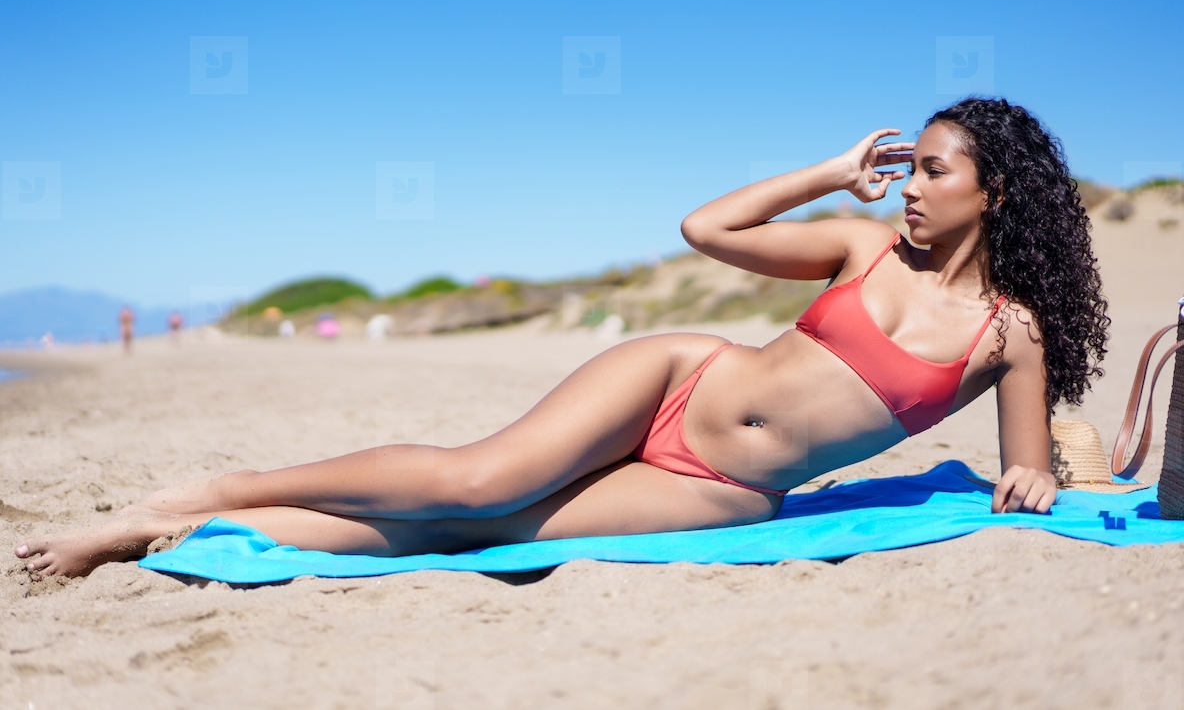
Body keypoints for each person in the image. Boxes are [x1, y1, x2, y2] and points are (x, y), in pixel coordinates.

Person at [15, 97, 1110, 577]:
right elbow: (704, 228)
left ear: (996, 193)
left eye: (932, 170)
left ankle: (162, 541)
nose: (908, 185)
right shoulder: (857, 245)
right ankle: (208, 494)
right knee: (472, 480)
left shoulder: (1007, 336)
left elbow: (1023, 471)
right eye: (907, 164)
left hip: (721, 491)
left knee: (479, 537)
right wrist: (828, 173)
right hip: (679, 376)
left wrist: (1030, 484)